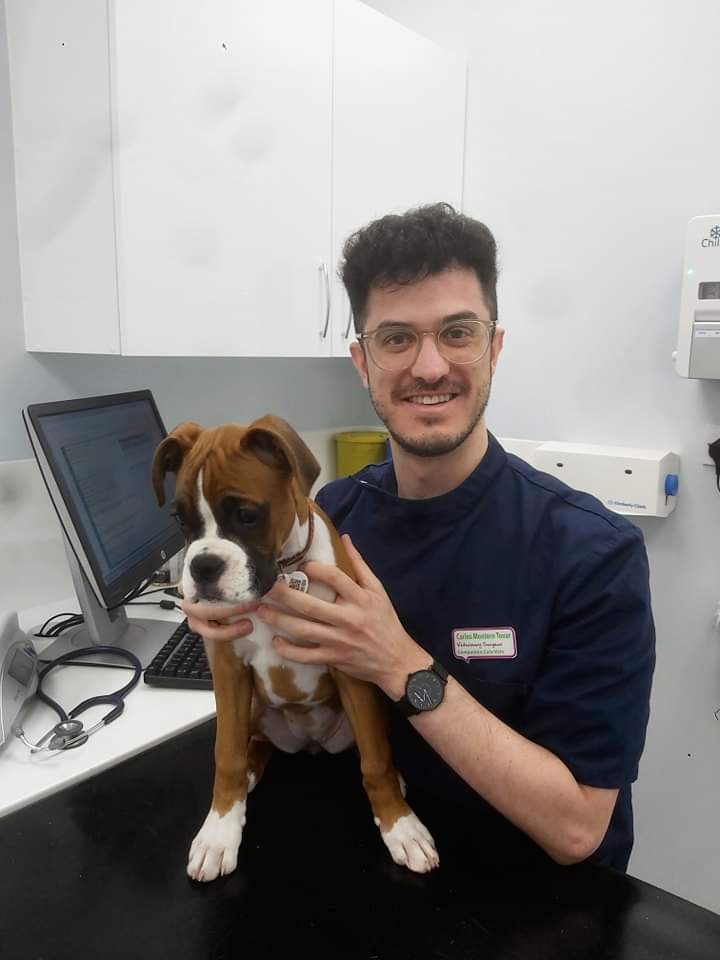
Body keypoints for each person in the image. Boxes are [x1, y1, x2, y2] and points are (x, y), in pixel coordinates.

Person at [184, 203, 655, 872]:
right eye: (397, 338)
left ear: (494, 347)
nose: (429, 367)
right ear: (362, 361)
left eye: (458, 332)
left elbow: (578, 828)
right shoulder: (330, 520)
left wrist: (398, 663)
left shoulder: (591, 552)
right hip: (366, 861)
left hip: (529, 895)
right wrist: (219, 612)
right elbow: (268, 648)